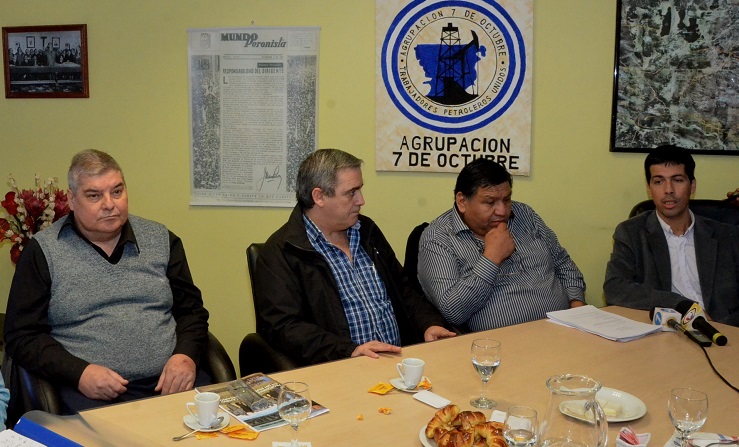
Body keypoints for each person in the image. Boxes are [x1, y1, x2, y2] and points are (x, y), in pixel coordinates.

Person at [4, 149, 210, 414]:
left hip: (169, 382)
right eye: (94, 195)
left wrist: (185, 356)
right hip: (87, 392)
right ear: (72, 200)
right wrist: (79, 372)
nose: (110, 204)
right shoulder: (43, 252)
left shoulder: (160, 239)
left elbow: (192, 312)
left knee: (227, 427)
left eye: (117, 191)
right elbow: (21, 335)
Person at [254, 149, 455, 365]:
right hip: (340, 367)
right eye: (351, 192)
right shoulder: (280, 252)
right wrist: (349, 351)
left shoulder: (367, 232)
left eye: (360, 190)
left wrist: (429, 323)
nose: (361, 200)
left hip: (398, 362)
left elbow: (403, 289)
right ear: (319, 197)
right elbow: (284, 328)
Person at [418, 158, 586, 332]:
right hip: (504, 342)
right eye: (490, 202)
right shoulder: (438, 238)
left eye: (506, 200)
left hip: (563, 329)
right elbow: (452, 311)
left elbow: (563, 264)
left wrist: (577, 307)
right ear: (462, 201)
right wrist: (492, 258)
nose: (502, 211)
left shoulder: (525, 215)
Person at [604, 146, 739, 326]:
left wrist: (721, 328)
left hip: (724, 331)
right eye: (659, 181)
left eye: (677, 180)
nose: (668, 190)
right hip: (666, 331)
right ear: (649, 188)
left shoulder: (727, 235)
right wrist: (681, 305)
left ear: (692, 186)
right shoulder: (631, 233)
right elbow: (615, 287)